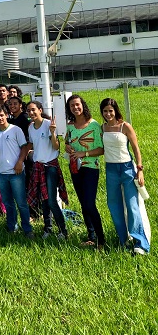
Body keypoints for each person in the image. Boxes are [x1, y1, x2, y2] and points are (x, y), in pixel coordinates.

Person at [100, 98, 150, 255]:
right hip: (111, 169)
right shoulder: (102, 128)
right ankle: (124, 240)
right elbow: (101, 148)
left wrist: (139, 169)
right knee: (114, 205)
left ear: (115, 110)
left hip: (127, 168)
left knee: (132, 205)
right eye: (105, 111)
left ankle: (140, 243)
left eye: (110, 110)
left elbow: (136, 148)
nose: (108, 114)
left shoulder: (124, 126)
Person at [65, 94, 105, 249]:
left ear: (83, 105)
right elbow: (67, 143)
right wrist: (67, 147)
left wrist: (84, 153)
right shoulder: (70, 126)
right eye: (72, 106)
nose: (75, 108)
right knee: (83, 203)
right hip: (75, 167)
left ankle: (101, 240)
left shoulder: (93, 125)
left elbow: (101, 149)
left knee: (89, 203)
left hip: (90, 168)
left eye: (77, 104)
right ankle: (91, 236)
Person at [26, 101, 68, 240]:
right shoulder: (31, 127)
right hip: (38, 166)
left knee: (51, 201)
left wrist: (52, 132)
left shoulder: (48, 124)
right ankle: (48, 229)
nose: (31, 113)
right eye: (29, 111)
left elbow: (56, 147)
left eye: (33, 110)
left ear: (39, 110)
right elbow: (32, 144)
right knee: (43, 200)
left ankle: (63, 230)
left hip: (50, 167)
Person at [0, 105, 33, 238]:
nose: (0, 118)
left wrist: (20, 162)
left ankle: (27, 229)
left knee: (21, 202)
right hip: (1, 172)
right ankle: (12, 227)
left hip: (16, 172)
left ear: (7, 115)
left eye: (2, 115)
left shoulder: (16, 130)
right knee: (8, 203)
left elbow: (24, 148)